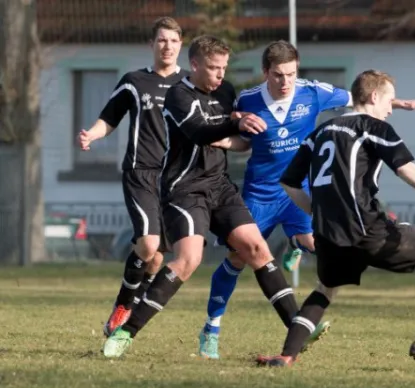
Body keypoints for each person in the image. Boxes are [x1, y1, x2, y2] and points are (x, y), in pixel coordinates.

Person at [201, 40, 415, 360]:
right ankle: (211, 328)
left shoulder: (313, 92)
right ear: (266, 72)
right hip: (262, 193)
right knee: (239, 259)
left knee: (317, 243)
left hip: (300, 190)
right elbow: (242, 141)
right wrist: (217, 139)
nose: (286, 82)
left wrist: (402, 104)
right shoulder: (248, 99)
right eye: (279, 75)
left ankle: (297, 249)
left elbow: (363, 98)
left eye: (292, 74)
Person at [102, 35, 325, 358]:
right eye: (213, 67)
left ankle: (298, 325)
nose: (221, 74)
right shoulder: (179, 95)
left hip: (219, 185)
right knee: (187, 260)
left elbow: (236, 140)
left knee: (256, 248)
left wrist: (240, 132)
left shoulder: (226, 91)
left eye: (223, 67)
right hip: (184, 188)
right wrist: (234, 122)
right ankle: (127, 331)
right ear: (194, 65)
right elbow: (199, 132)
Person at [255, 70, 415, 373]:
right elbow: (405, 167)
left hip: (328, 233)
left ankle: (287, 354)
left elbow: (289, 183)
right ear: (372, 97)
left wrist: (318, 212)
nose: (390, 108)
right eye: (389, 101)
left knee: (326, 288)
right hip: (366, 228)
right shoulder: (373, 126)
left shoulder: (320, 132)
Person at [77, 17, 186, 337]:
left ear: (181, 45)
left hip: (176, 179)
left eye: (173, 41)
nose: (167, 46)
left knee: (155, 259)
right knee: (149, 244)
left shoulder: (190, 84)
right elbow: (109, 118)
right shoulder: (134, 81)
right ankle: (123, 306)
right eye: (162, 40)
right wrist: (92, 136)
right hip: (140, 172)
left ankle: (134, 300)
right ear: (151, 44)